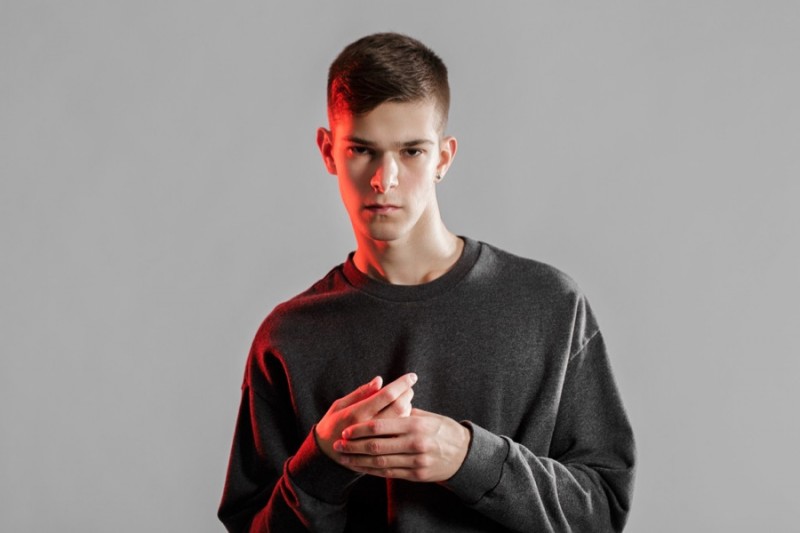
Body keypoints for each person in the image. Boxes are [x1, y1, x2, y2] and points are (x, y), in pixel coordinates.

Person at [218, 32, 636, 532]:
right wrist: (322, 463)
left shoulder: (551, 306)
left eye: (412, 151)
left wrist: (469, 458)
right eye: (362, 150)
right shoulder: (288, 338)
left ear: (443, 157)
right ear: (328, 152)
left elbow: (602, 512)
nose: (384, 179)